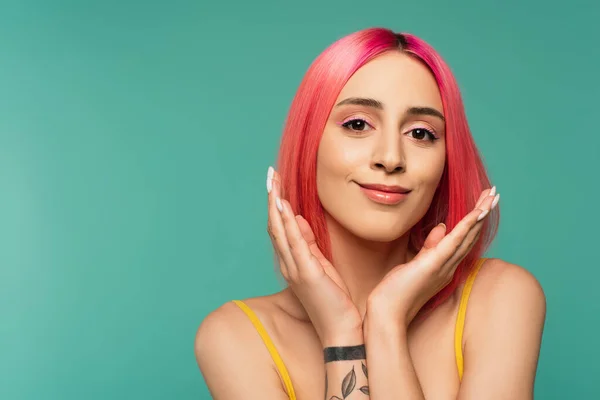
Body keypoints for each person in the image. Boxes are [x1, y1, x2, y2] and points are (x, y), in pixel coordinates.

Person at [194, 27, 546, 399]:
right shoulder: (236, 337)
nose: (391, 158)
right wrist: (341, 334)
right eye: (358, 124)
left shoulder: (501, 297)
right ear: (309, 141)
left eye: (421, 133)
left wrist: (386, 321)